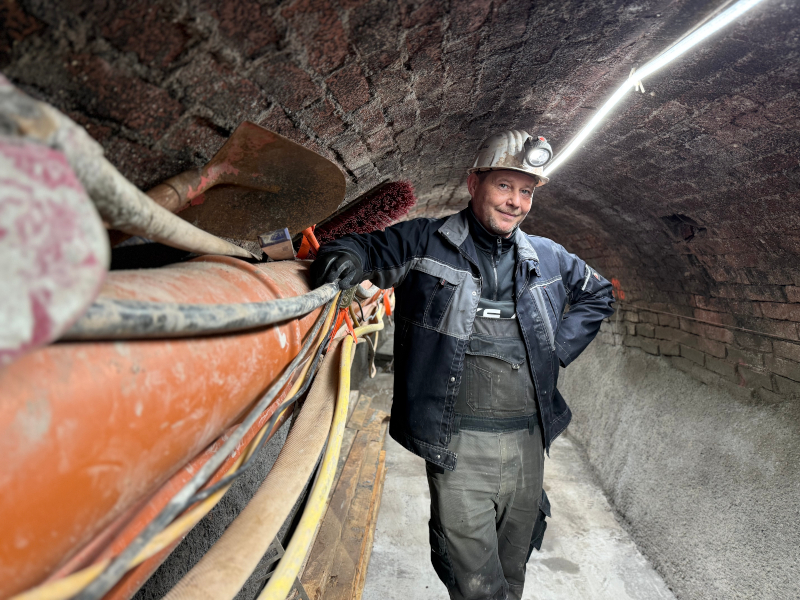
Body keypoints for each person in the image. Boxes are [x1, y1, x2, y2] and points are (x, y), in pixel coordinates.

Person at [310, 130, 615, 600]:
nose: (516, 202)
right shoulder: (425, 241)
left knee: (513, 566)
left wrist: (556, 350)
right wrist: (347, 256)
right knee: (474, 580)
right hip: (458, 443)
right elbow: (367, 248)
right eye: (505, 186)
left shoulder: (548, 257)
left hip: (528, 442)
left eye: (526, 191)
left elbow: (598, 292)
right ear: (474, 183)